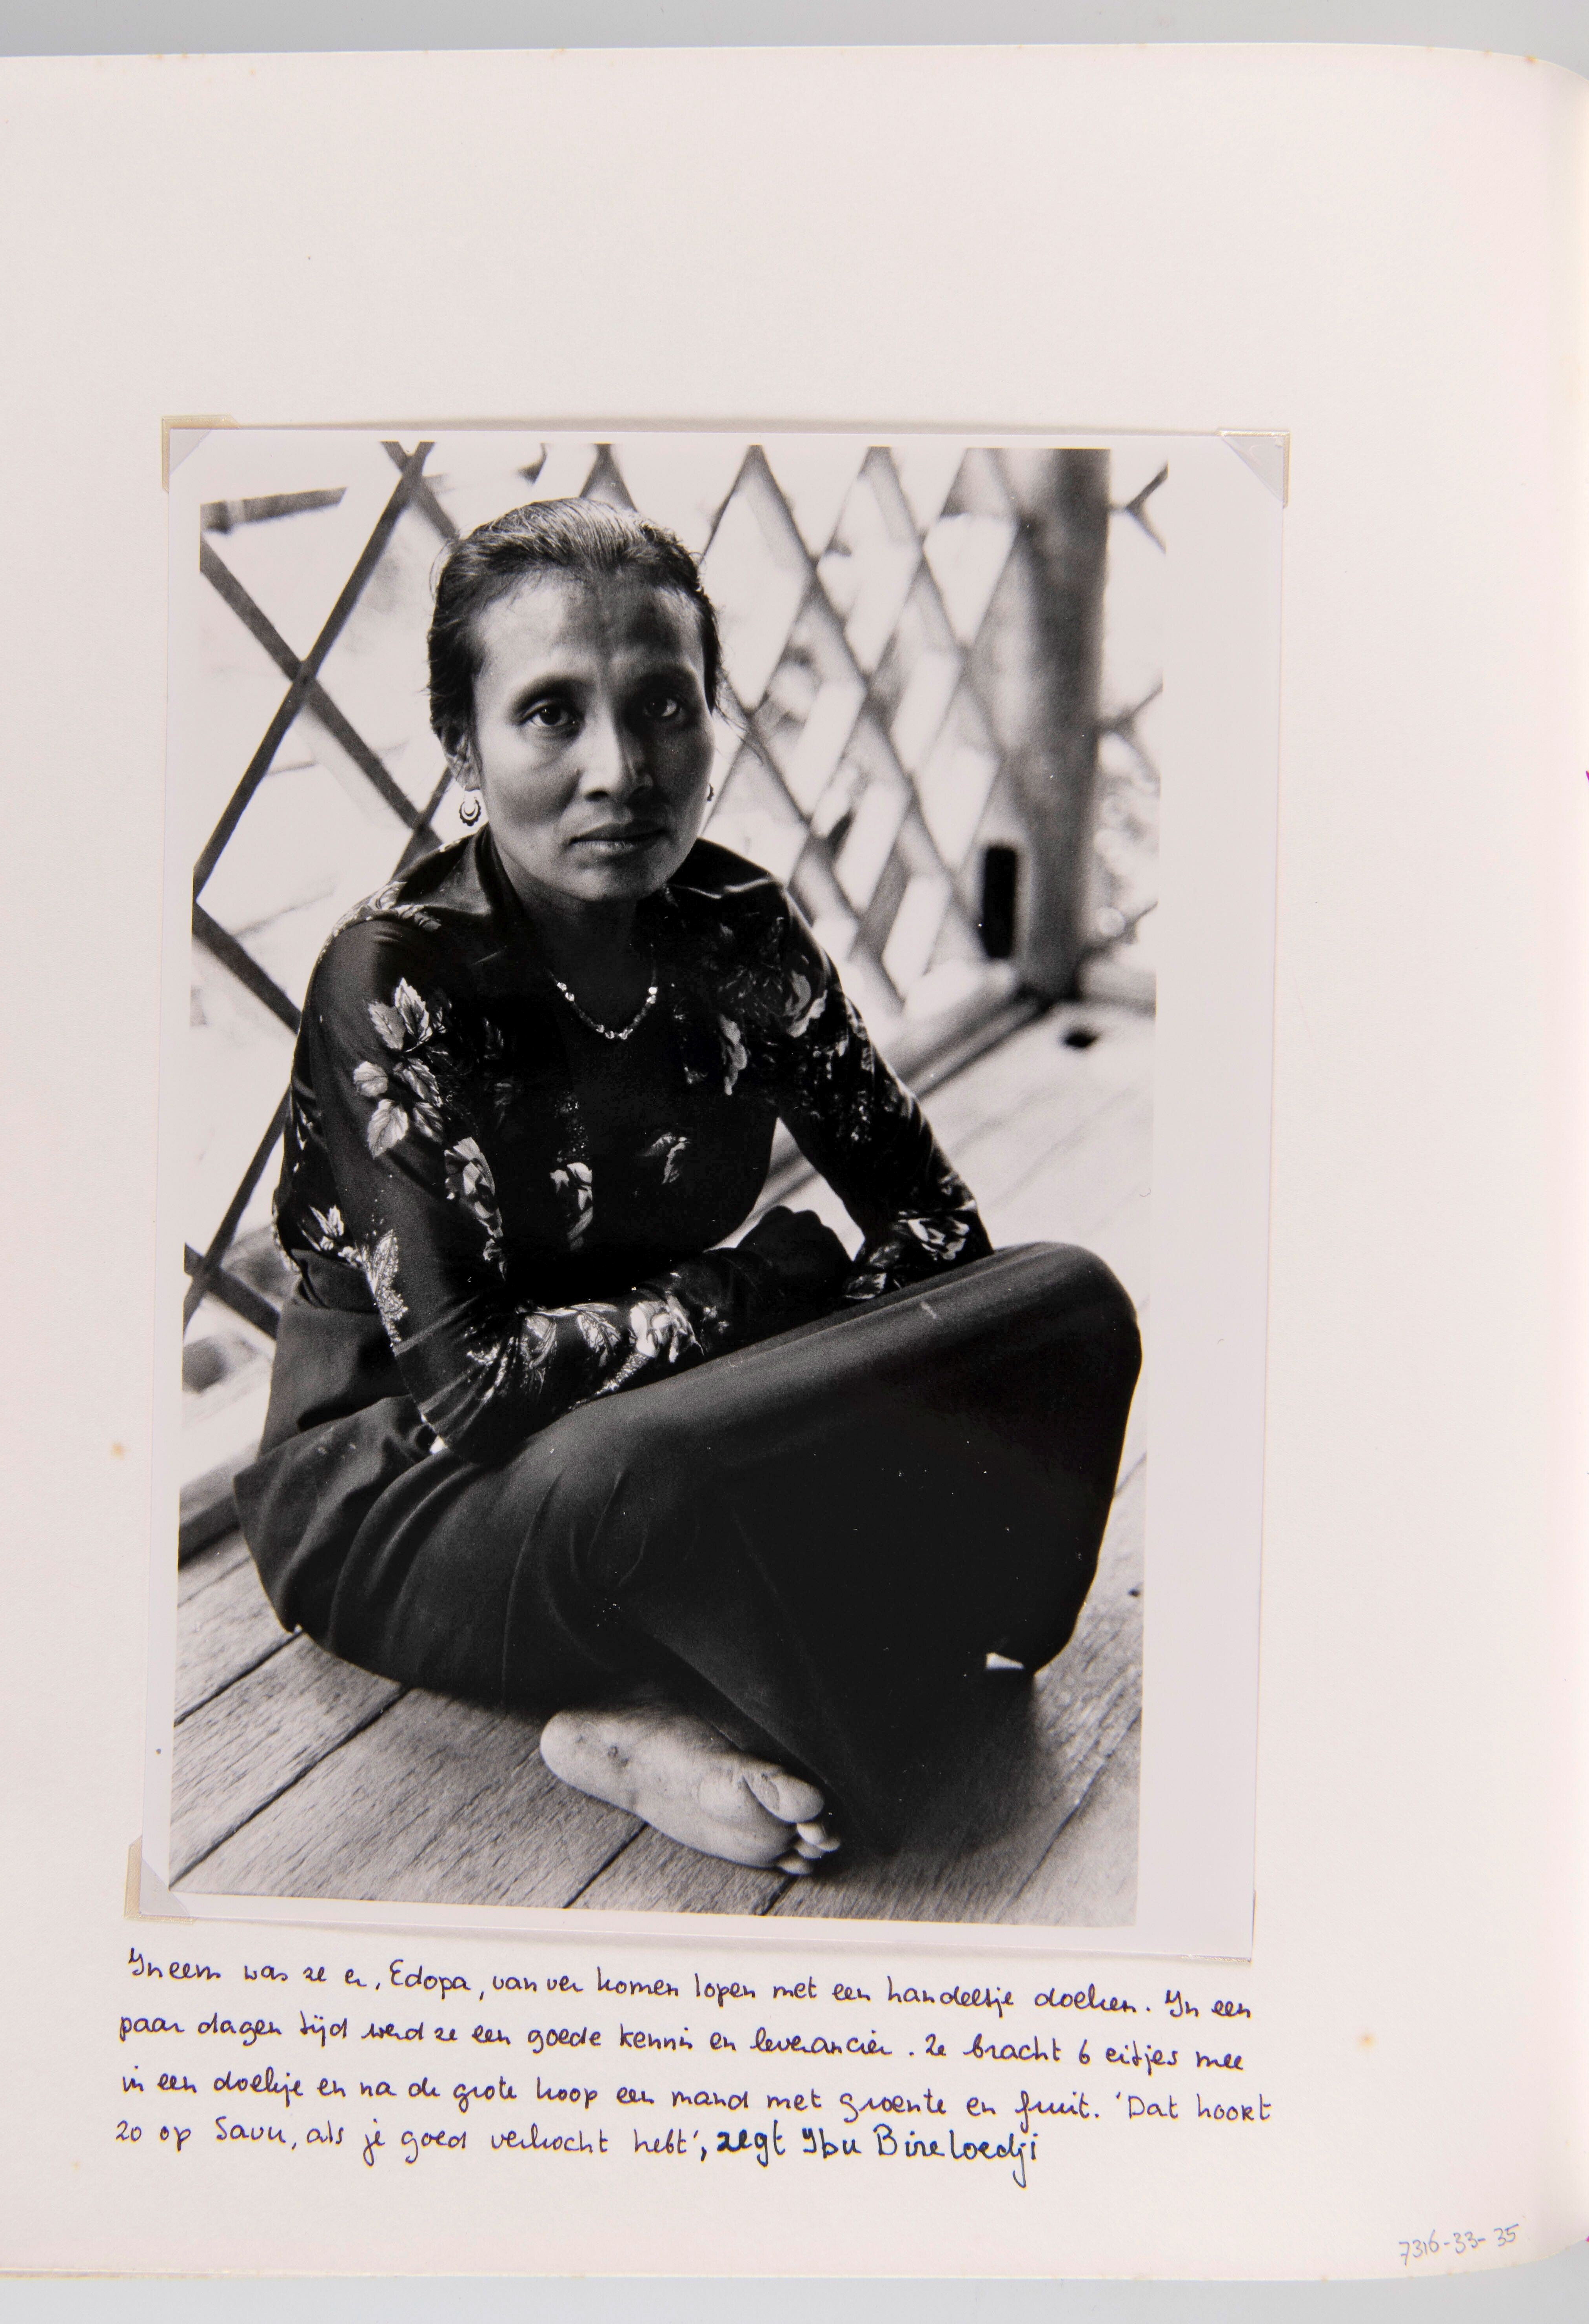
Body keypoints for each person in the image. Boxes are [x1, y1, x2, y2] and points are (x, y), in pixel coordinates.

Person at [232, 497, 1140, 1878]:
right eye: (551, 714)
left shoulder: (740, 929)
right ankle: (631, 1719)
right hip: (416, 1489)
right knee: (642, 1474)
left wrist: (807, 1353)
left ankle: (715, 1674)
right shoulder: (394, 977)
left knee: (1068, 1297)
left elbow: (938, 1227)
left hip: (679, 1418)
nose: (620, 768)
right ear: (463, 746)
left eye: (663, 705)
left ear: (713, 721)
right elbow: (476, 1393)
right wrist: (756, 1289)